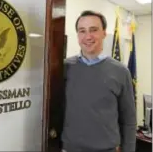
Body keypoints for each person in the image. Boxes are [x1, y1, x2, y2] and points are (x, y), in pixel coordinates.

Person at [58, 10, 136, 152]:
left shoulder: (121, 72)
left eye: (93, 30)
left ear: (104, 33)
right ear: (78, 35)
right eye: (82, 31)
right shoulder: (63, 68)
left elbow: (129, 121)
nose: (88, 36)